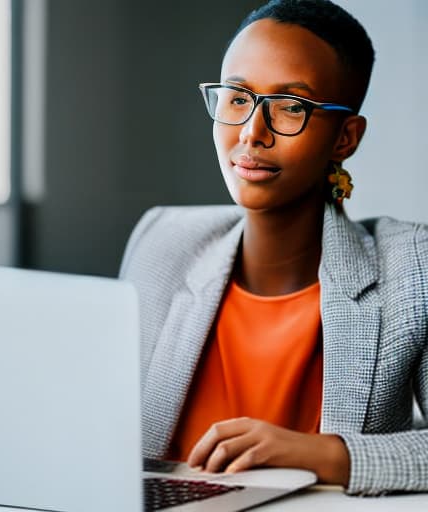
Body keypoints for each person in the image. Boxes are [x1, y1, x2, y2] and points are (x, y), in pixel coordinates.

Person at [119, 0, 428, 496]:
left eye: (292, 107)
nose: (251, 134)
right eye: (237, 98)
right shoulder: (164, 240)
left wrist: (322, 453)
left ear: (345, 138)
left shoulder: (410, 266)